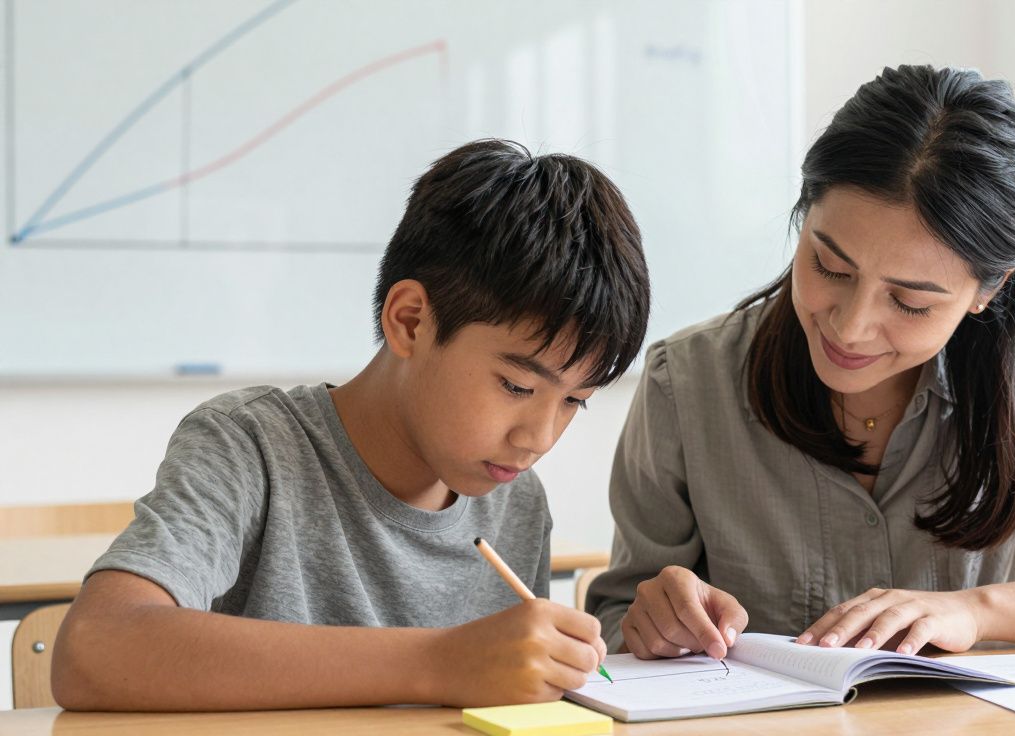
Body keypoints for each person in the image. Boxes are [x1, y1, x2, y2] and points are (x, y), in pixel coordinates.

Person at [586, 65, 1015, 661]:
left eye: (910, 302)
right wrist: (651, 621)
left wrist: (977, 611)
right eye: (828, 265)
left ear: (987, 291)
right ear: (802, 217)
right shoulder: (689, 383)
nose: (850, 326)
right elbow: (616, 624)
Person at [52, 139, 650, 709]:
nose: (539, 439)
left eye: (575, 401)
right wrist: (438, 662)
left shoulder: (515, 502)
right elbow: (95, 648)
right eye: (517, 386)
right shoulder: (250, 446)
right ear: (411, 321)